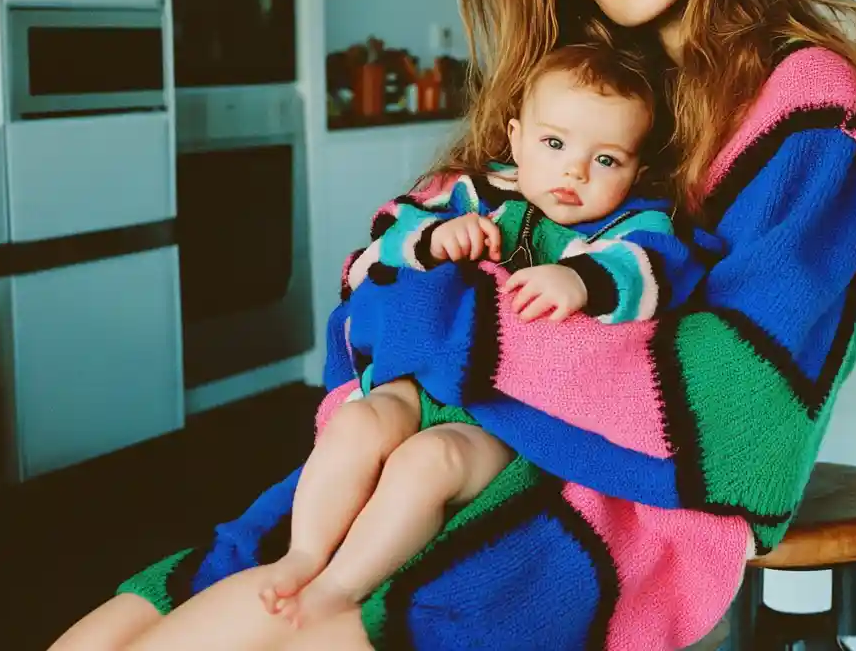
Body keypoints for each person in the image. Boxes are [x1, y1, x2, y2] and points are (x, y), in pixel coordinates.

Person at [48, 0, 856, 651]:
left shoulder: (811, 106)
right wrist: (429, 332)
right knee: (153, 607)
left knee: (302, 613)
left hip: (616, 501)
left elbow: (738, 408)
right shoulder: (581, 96)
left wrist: (453, 330)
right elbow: (367, 298)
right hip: (441, 442)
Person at [255, 43, 704, 628]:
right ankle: (304, 555)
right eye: (555, 144)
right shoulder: (472, 193)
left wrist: (582, 280)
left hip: (507, 418)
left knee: (429, 461)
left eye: (607, 160)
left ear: (637, 171)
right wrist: (436, 238)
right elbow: (387, 232)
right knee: (358, 422)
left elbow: (657, 270)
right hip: (424, 381)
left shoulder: (629, 224)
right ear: (516, 139)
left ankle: (341, 587)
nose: (575, 170)